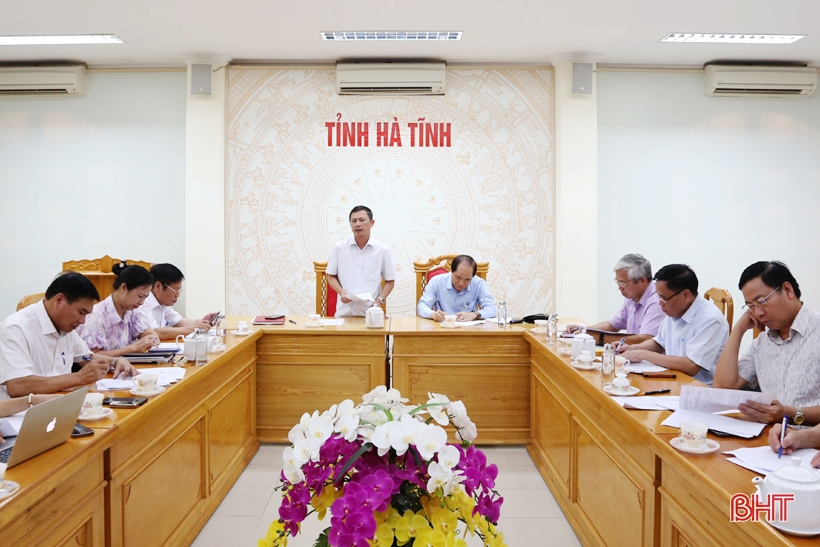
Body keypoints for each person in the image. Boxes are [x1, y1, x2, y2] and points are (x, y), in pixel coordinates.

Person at [714, 261, 820, 426]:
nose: (758, 313)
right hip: (770, 439)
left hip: (811, 444)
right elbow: (722, 388)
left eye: (762, 301)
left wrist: (790, 413)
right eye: (751, 306)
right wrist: (738, 330)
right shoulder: (763, 341)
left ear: (787, 290)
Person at [0, 272, 137, 399]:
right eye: (81, 312)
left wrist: (115, 361)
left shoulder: (64, 325)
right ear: (59, 300)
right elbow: (17, 386)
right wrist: (78, 377)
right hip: (20, 417)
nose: (83, 321)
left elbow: (86, 357)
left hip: (60, 406)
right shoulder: (16, 328)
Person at [619, 264, 729, 386]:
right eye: (658, 296)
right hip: (674, 380)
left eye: (664, 298)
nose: (660, 303)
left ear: (686, 295)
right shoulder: (676, 310)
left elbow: (692, 366)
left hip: (699, 389)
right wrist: (631, 349)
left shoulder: (710, 319)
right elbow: (658, 343)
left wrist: (643, 354)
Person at [566, 253, 664, 345]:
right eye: (618, 282)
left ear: (642, 281)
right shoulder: (631, 298)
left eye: (623, 283)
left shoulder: (657, 301)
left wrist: (601, 338)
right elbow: (612, 325)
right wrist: (585, 330)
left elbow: (646, 339)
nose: (620, 287)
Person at [77, 263, 160, 357]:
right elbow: (90, 357)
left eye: (145, 297)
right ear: (123, 288)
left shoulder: (132, 312)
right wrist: (131, 349)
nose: (141, 302)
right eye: (140, 296)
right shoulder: (97, 316)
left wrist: (148, 341)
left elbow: (152, 335)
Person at [326, 205, 395, 317]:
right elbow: (331, 276)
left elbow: (390, 280)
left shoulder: (382, 250)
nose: (358, 224)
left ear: (372, 223)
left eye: (362, 220)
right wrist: (342, 292)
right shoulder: (339, 247)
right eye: (354, 221)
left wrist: (379, 301)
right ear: (350, 225)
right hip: (344, 314)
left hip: (371, 314)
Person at [142, 263, 217, 339]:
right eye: (175, 290)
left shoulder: (163, 302)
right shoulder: (142, 302)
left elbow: (179, 322)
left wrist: (203, 322)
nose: (178, 295)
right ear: (158, 286)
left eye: (179, 291)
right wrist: (195, 328)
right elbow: (156, 332)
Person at [417, 255, 497, 322]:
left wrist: (475, 314)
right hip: (441, 330)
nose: (461, 283)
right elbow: (421, 306)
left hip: (469, 332)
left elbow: (491, 309)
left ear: (473, 276)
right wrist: (432, 314)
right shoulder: (437, 282)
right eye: (458, 277)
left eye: (467, 279)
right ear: (451, 271)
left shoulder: (479, 283)